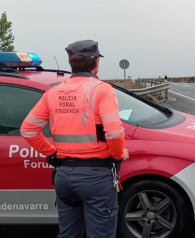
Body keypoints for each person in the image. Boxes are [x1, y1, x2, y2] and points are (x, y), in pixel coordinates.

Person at [20, 40, 128, 238]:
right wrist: (119, 155)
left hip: (64, 176)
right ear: (96, 62)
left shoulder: (53, 93)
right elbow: (114, 132)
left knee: (69, 234)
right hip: (96, 177)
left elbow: (28, 129)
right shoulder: (102, 90)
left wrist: (51, 153)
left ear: (71, 63)